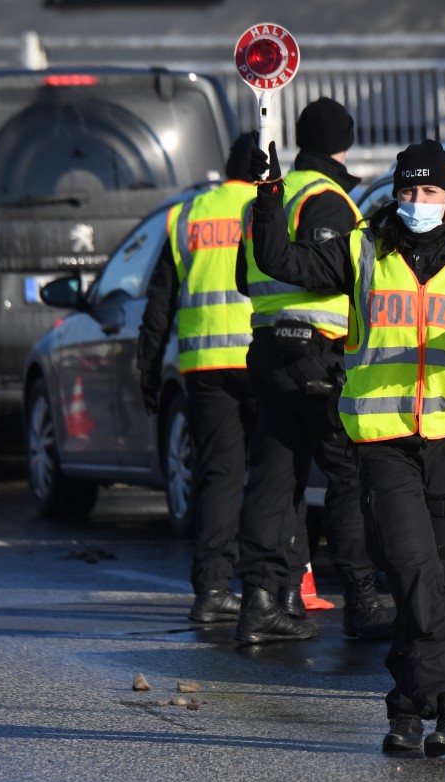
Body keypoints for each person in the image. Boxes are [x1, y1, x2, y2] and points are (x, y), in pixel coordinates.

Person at [246, 137, 445, 756]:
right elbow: (276, 261)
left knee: (434, 581)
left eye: (428, 191)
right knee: (410, 567)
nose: (416, 201)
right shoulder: (360, 249)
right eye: (407, 191)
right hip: (383, 440)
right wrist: (267, 197)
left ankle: (404, 710)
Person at [233, 98, 393, 645]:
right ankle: (362, 601)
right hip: (318, 352)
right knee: (346, 476)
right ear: (343, 144)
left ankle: (260, 600)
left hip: (268, 349)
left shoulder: (273, 194)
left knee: (274, 477)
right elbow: (329, 271)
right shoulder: (329, 199)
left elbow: (243, 277)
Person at [136, 132, 312, 626]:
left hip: (202, 365)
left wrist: (147, 370)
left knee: (218, 474)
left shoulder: (186, 214)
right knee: (280, 473)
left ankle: (212, 588)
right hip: (264, 357)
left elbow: (159, 303)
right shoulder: (274, 205)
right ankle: (284, 588)